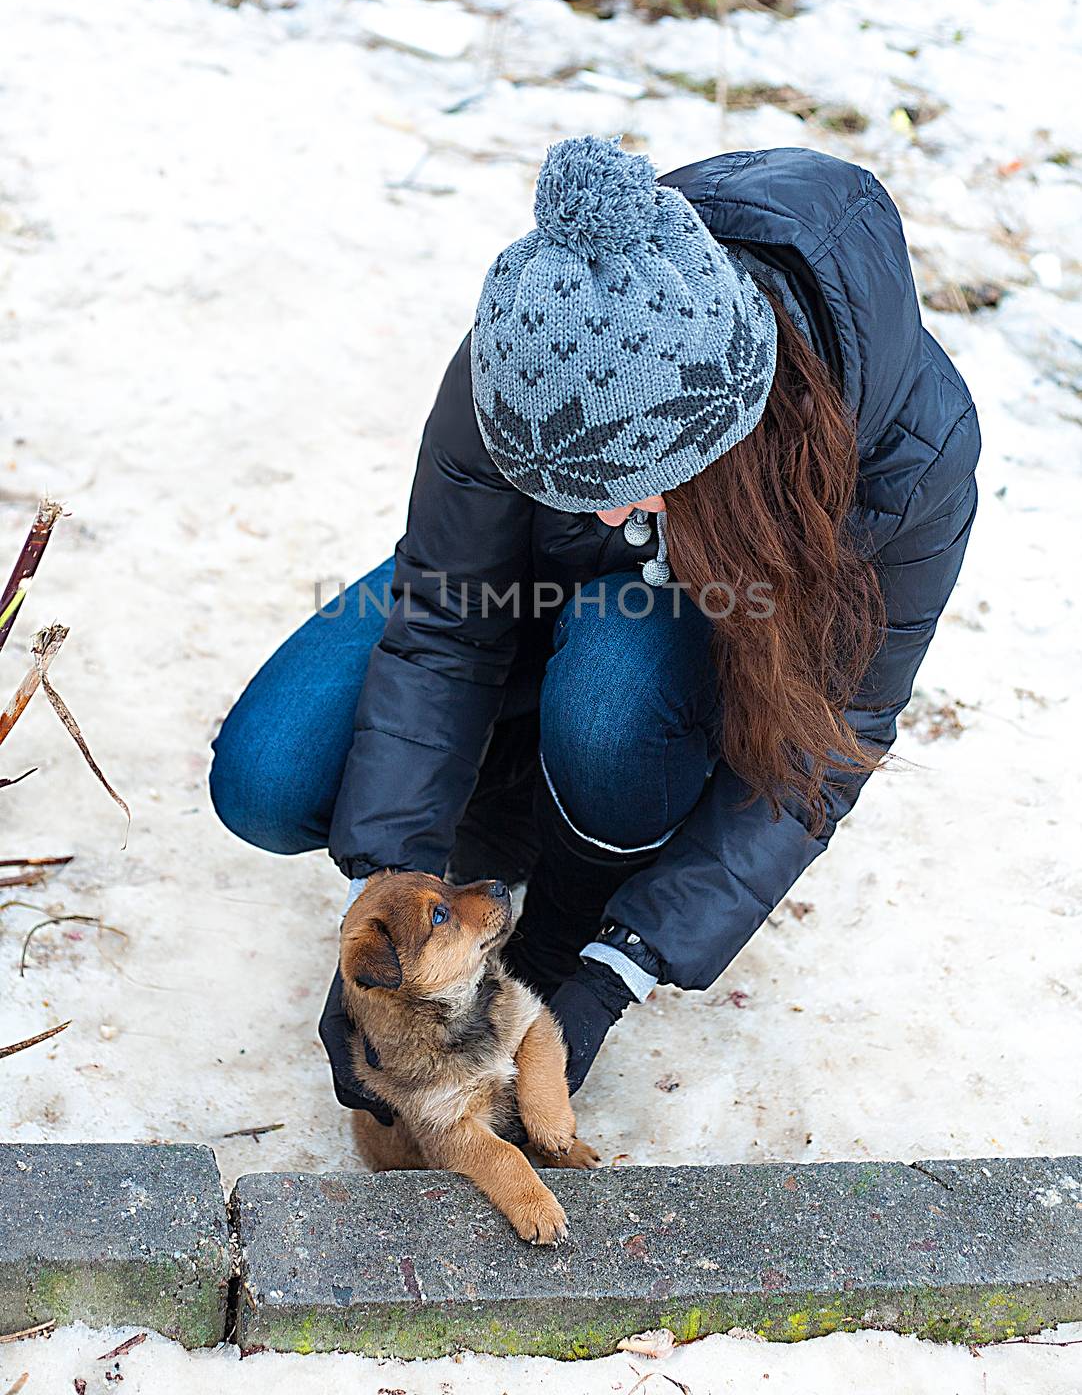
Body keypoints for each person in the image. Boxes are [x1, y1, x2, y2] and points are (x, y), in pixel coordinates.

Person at [210, 135, 980, 1121]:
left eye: (624, 488)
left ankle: (567, 899)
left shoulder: (910, 450)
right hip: (521, 606)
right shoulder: (534, 335)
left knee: (614, 683)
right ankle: (510, 810)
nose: (607, 515)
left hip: (671, 668)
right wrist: (398, 890)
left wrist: (608, 968)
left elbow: (835, 738)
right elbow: (447, 614)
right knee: (265, 777)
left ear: (730, 430)